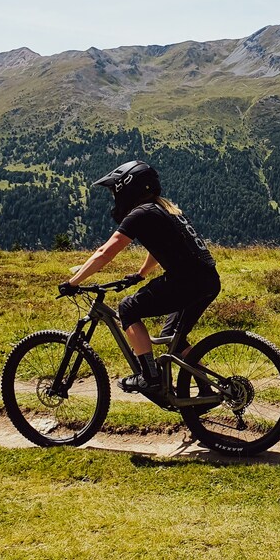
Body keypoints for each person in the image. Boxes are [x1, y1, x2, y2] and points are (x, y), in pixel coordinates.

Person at [60, 160, 220, 393]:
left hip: (187, 282)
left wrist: (73, 283)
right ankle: (207, 389)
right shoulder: (165, 209)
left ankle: (150, 377)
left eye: (116, 191)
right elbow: (160, 247)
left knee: (128, 308)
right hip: (208, 280)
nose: (115, 198)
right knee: (172, 337)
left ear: (128, 188)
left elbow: (106, 252)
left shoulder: (140, 214)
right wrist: (141, 273)